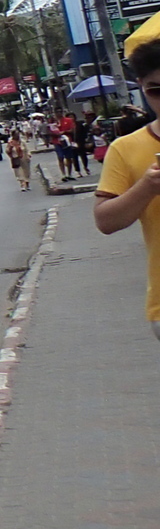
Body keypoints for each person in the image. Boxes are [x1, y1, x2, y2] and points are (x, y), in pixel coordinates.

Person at [94, 40, 160, 341]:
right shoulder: (126, 148)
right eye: (155, 90)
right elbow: (106, 221)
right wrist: (146, 187)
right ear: (141, 88)